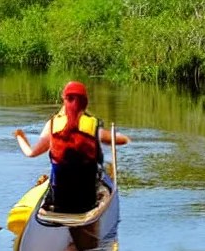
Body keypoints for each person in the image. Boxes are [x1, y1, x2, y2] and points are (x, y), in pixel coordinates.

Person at [13, 83, 128, 214]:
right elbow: (121, 140)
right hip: (86, 202)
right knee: (99, 175)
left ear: (64, 101)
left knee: (56, 175)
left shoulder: (53, 124)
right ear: (85, 103)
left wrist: (20, 137)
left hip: (59, 202)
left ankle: (47, 207)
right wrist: (119, 137)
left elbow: (30, 153)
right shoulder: (93, 124)